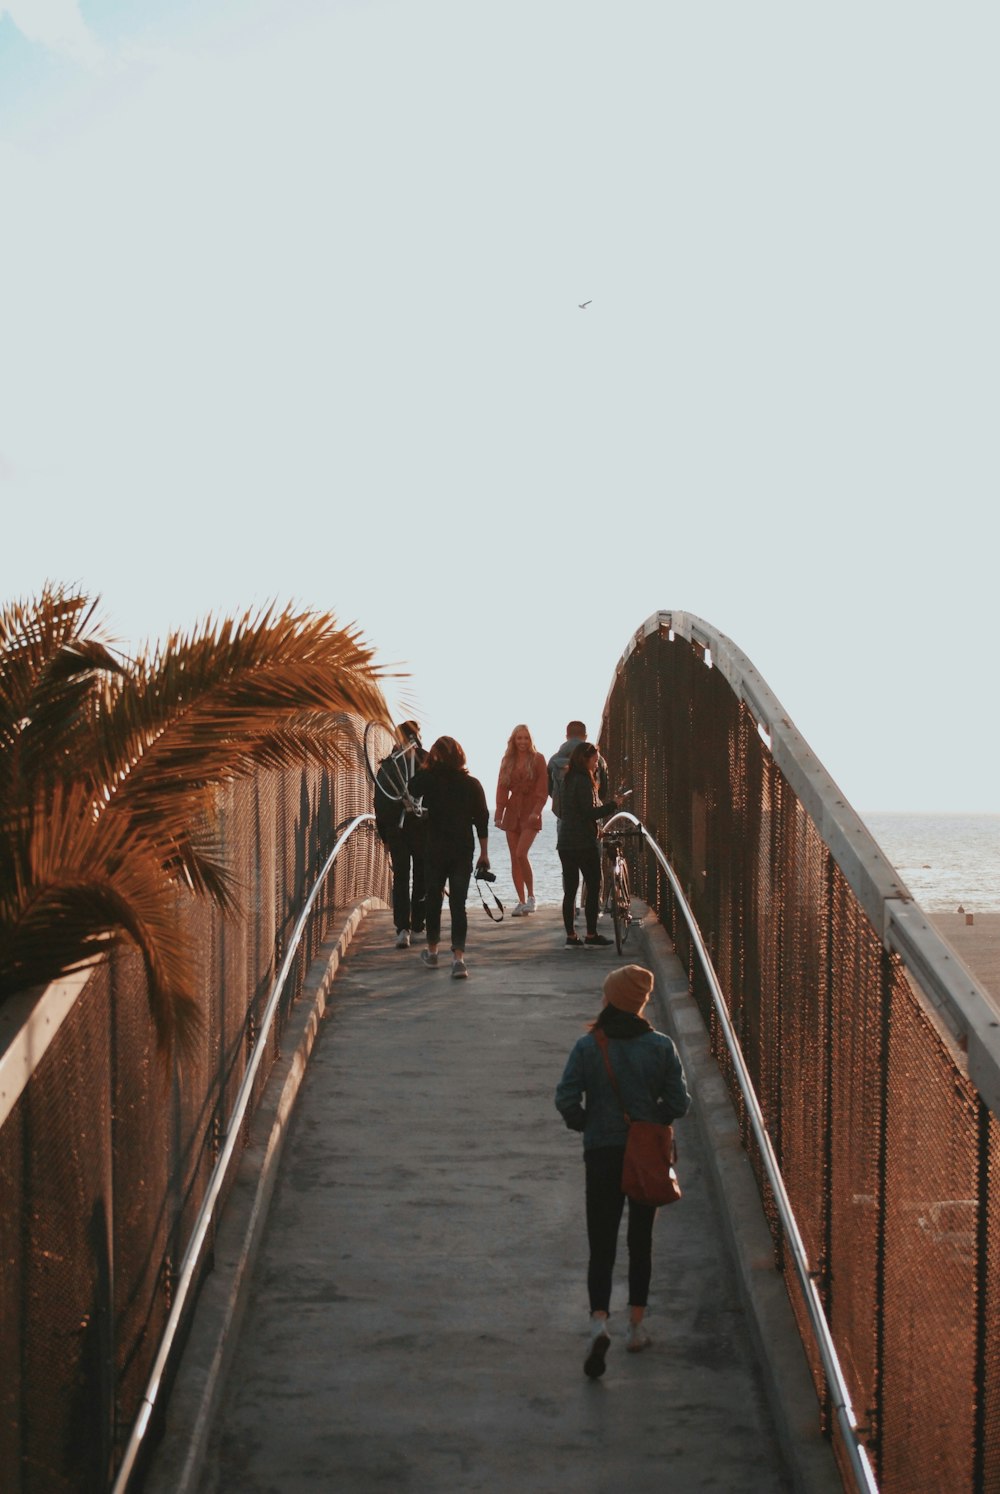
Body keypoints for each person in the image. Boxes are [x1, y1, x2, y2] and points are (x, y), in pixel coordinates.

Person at [555, 964, 690, 1378]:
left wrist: (586, 1123)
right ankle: (636, 1326)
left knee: (601, 1240)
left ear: (611, 999)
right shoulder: (661, 1047)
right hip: (644, 1156)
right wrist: (652, 1122)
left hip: (601, 1152)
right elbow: (679, 1103)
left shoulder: (588, 1045)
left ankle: (599, 1320)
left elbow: (566, 1099)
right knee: (640, 1240)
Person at [408, 736, 490, 980]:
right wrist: (484, 854)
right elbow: (482, 820)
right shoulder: (472, 784)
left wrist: (427, 764)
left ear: (435, 756)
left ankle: (433, 952)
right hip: (462, 849)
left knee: (433, 899)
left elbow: (411, 788)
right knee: (458, 904)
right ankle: (458, 959)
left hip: (434, 849)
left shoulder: (429, 780)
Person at [558, 741, 618, 948]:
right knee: (593, 886)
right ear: (586, 759)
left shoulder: (567, 779)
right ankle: (591, 934)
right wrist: (614, 805)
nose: (597, 764)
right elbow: (588, 812)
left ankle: (571, 936)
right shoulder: (584, 781)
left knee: (571, 890)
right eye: (594, 760)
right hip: (583, 842)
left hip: (566, 842)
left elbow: (572, 811)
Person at [373, 719, 427, 949]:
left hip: (407, 828)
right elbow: (382, 800)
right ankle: (410, 926)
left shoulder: (394, 764)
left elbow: (380, 801)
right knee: (412, 876)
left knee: (409, 876)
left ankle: (409, 926)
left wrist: (385, 833)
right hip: (410, 828)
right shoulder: (394, 764)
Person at [494, 725, 548, 916]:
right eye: (519, 738)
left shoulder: (538, 759)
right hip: (512, 810)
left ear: (530, 740)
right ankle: (521, 900)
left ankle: (532, 897)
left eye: (526, 738)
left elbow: (543, 787)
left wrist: (537, 810)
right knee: (513, 858)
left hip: (531, 810)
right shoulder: (507, 760)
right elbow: (501, 787)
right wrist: (498, 812)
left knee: (520, 853)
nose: (523, 742)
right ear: (513, 740)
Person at [547, 720, 609, 822]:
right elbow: (603, 789)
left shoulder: (554, 760)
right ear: (585, 736)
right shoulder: (598, 759)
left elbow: (550, 789)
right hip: (591, 815)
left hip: (564, 816)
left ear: (567, 736)